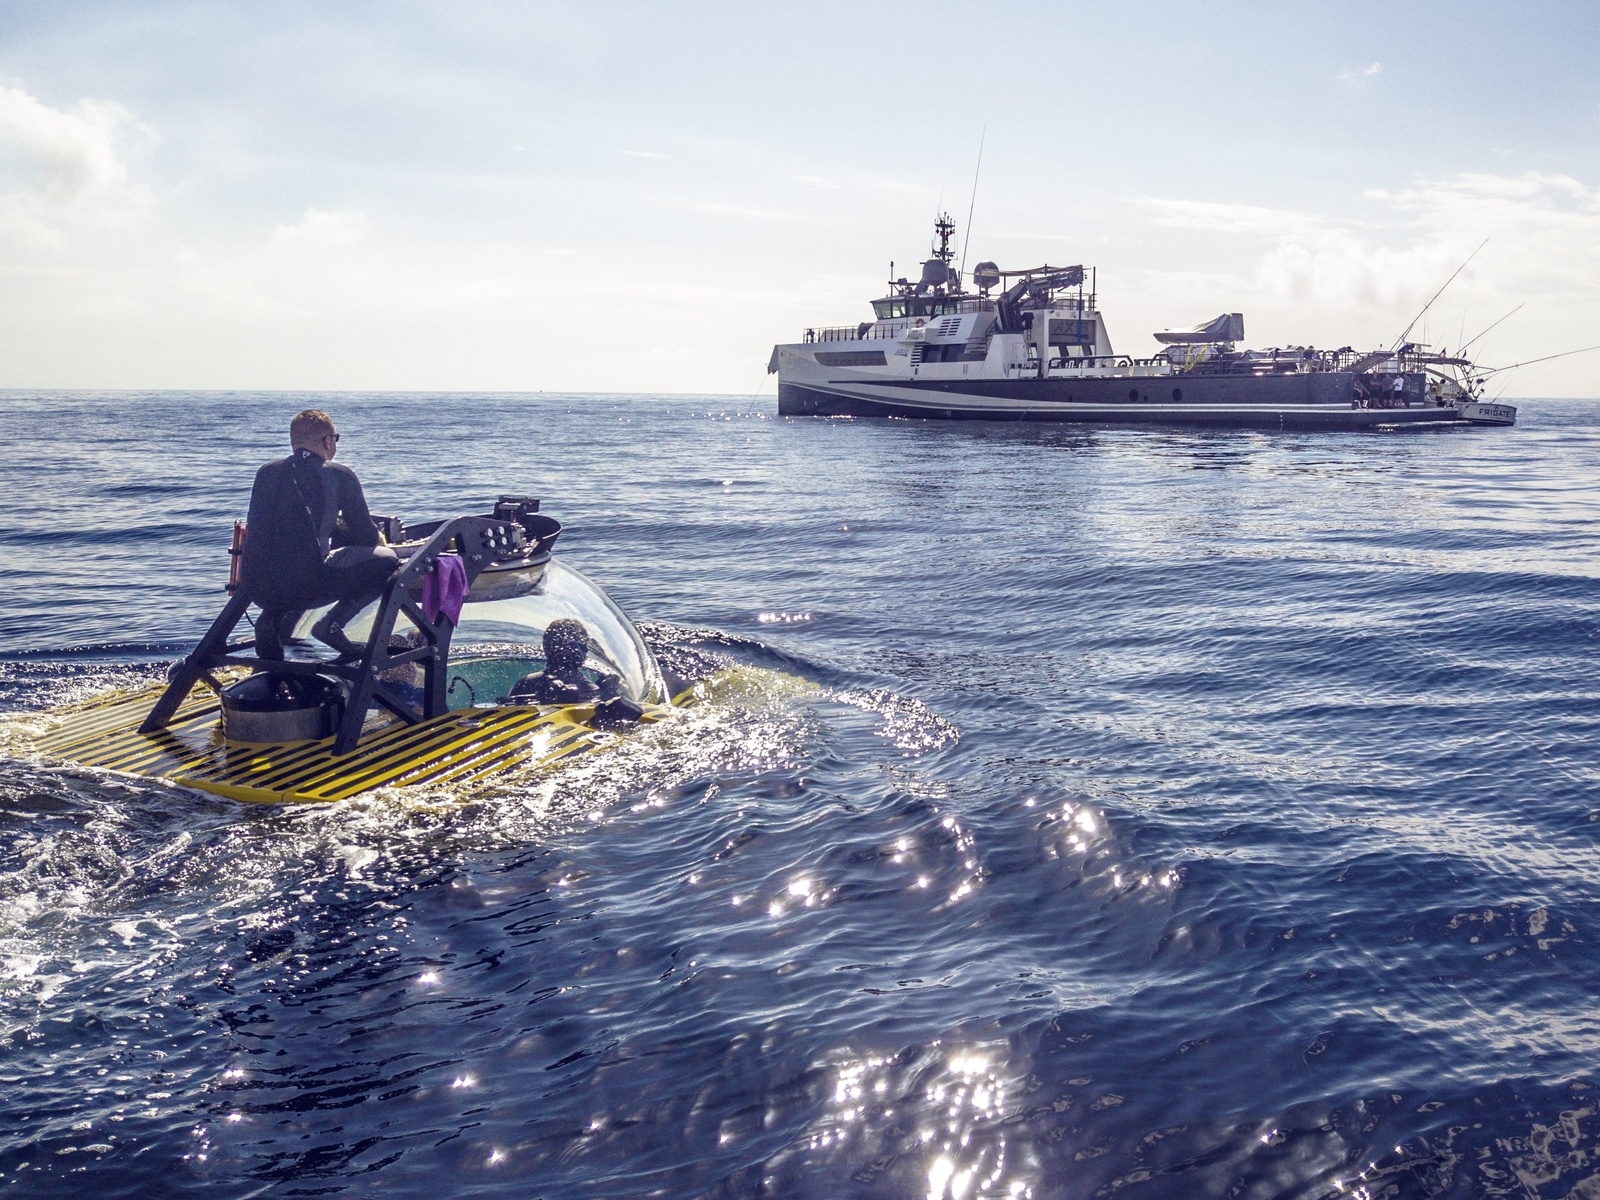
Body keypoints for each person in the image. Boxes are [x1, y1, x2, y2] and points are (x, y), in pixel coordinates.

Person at [240, 409, 398, 660]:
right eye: (335, 438)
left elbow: (282, 528)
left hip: (256, 587)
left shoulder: (266, 473)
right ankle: (331, 626)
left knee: (293, 561)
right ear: (327, 441)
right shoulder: (338, 474)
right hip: (307, 587)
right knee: (387, 560)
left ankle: (269, 622)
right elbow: (366, 537)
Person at [506, 619, 621, 705]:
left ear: (546, 649)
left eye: (578, 646)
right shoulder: (595, 690)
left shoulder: (526, 683)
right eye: (569, 647)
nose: (572, 652)